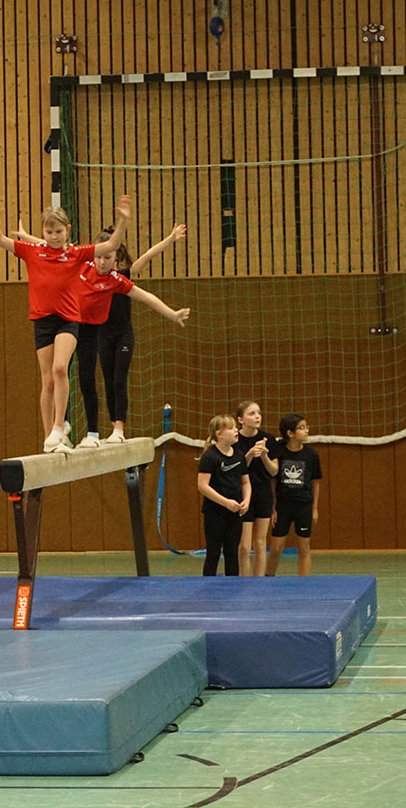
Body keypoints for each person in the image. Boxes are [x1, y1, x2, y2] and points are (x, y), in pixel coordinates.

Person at [0, 198, 130, 452]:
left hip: (68, 320)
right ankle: (50, 439)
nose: (54, 237)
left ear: (67, 230)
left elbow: (111, 244)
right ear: (43, 231)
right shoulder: (32, 251)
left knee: (60, 368)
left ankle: (58, 426)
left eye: (58, 231)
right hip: (42, 322)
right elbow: (0, 241)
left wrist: (123, 220)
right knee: (48, 381)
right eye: (49, 232)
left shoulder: (75, 253)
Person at [68, 224, 189, 447]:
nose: (102, 262)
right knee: (107, 380)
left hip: (123, 335)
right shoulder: (88, 273)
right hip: (102, 334)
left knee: (119, 380)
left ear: (116, 257)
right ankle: (111, 426)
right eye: (99, 257)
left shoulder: (122, 278)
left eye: (108, 257)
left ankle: (119, 428)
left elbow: (148, 256)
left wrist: (171, 239)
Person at [266, 413, 322, 577]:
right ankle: (268, 578)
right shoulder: (279, 452)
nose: (306, 430)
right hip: (282, 506)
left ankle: (304, 583)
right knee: (276, 548)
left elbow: (315, 482)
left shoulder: (311, 455)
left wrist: (314, 508)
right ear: (290, 433)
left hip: (303, 506)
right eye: (301, 428)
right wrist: (272, 508)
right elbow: (273, 481)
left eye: (306, 427)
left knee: (304, 548)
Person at [198, 414, 249, 577]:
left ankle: (232, 588)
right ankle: (207, 587)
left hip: (235, 512)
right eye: (231, 428)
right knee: (213, 553)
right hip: (215, 512)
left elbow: (245, 482)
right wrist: (226, 502)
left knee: (232, 554)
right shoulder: (210, 457)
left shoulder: (239, 455)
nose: (236, 430)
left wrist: (246, 501)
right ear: (219, 434)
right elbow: (202, 486)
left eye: (236, 427)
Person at [232, 400, 277, 575]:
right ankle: (244, 580)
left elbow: (274, 471)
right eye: (252, 413)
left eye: (258, 413)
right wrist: (250, 455)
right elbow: (236, 470)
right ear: (241, 420)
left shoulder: (268, 439)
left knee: (260, 543)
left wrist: (264, 455)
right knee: (244, 546)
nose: (257, 416)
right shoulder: (235, 439)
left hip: (263, 492)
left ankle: (259, 582)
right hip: (244, 493)